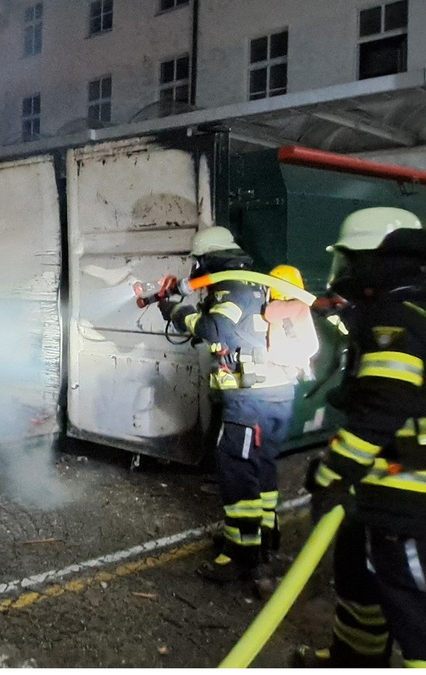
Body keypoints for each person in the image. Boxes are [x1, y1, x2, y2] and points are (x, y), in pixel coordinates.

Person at [295, 207, 426, 668]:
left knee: (421, 619)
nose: (346, 273)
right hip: (384, 488)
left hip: (414, 496)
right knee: (360, 587)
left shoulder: (396, 318)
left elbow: (383, 406)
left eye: (350, 261)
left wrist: (333, 472)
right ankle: (352, 661)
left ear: (372, 259)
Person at [158, 226, 298, 583]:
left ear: (207, 259)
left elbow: (217, 330)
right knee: (261, 465)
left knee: (235, 468)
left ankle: (241, 555)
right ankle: (266, 537)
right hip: (277, 392)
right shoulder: (255, 279)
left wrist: (177, 313)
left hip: (251, 399)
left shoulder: (230, 285)